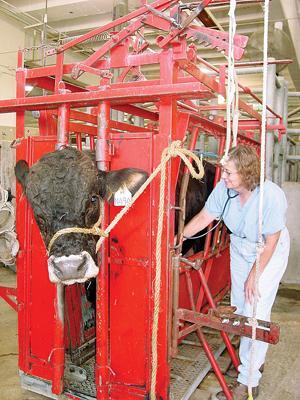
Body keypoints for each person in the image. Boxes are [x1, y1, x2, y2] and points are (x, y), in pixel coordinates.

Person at [181, 145, 290, 400]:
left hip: (267, 250)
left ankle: (248, 382)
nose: (223, 177)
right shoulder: (225, 190)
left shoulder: (270, 196)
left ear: (246, 173)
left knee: (255, 310)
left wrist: (255, 274)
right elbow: (205, 217)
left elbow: (271, 240)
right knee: (240, 307)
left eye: (229, 172)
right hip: (241, 246)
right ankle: (253, 360)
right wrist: (176, 239)